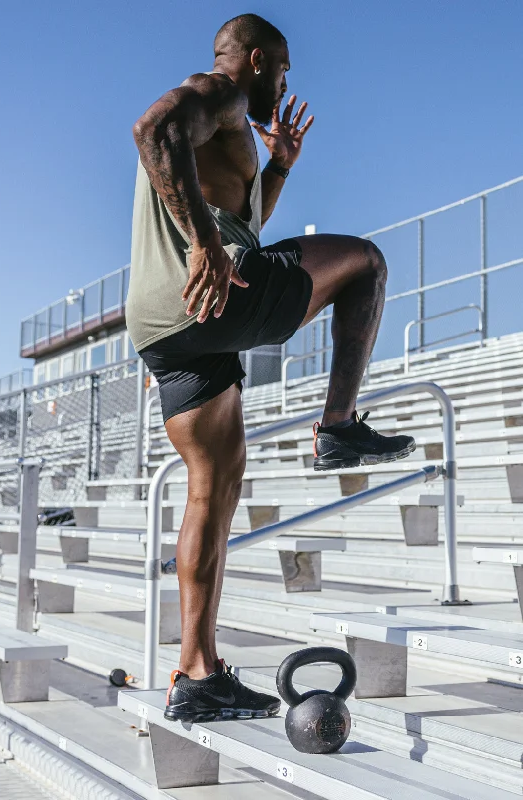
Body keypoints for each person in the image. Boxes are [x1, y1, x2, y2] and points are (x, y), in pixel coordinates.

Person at [126, 13, 416, 722]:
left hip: (164, 329)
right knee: (367, 264)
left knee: (214, 486)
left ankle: (197, 673)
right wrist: (202, 244)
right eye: (283, 72)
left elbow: (238, 222)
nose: (285, 85)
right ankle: (338, 426)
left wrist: (277, 166)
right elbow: (153, 129)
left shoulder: (229, 135)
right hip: (215, 295)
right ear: (257, 60)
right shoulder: (219, 92)